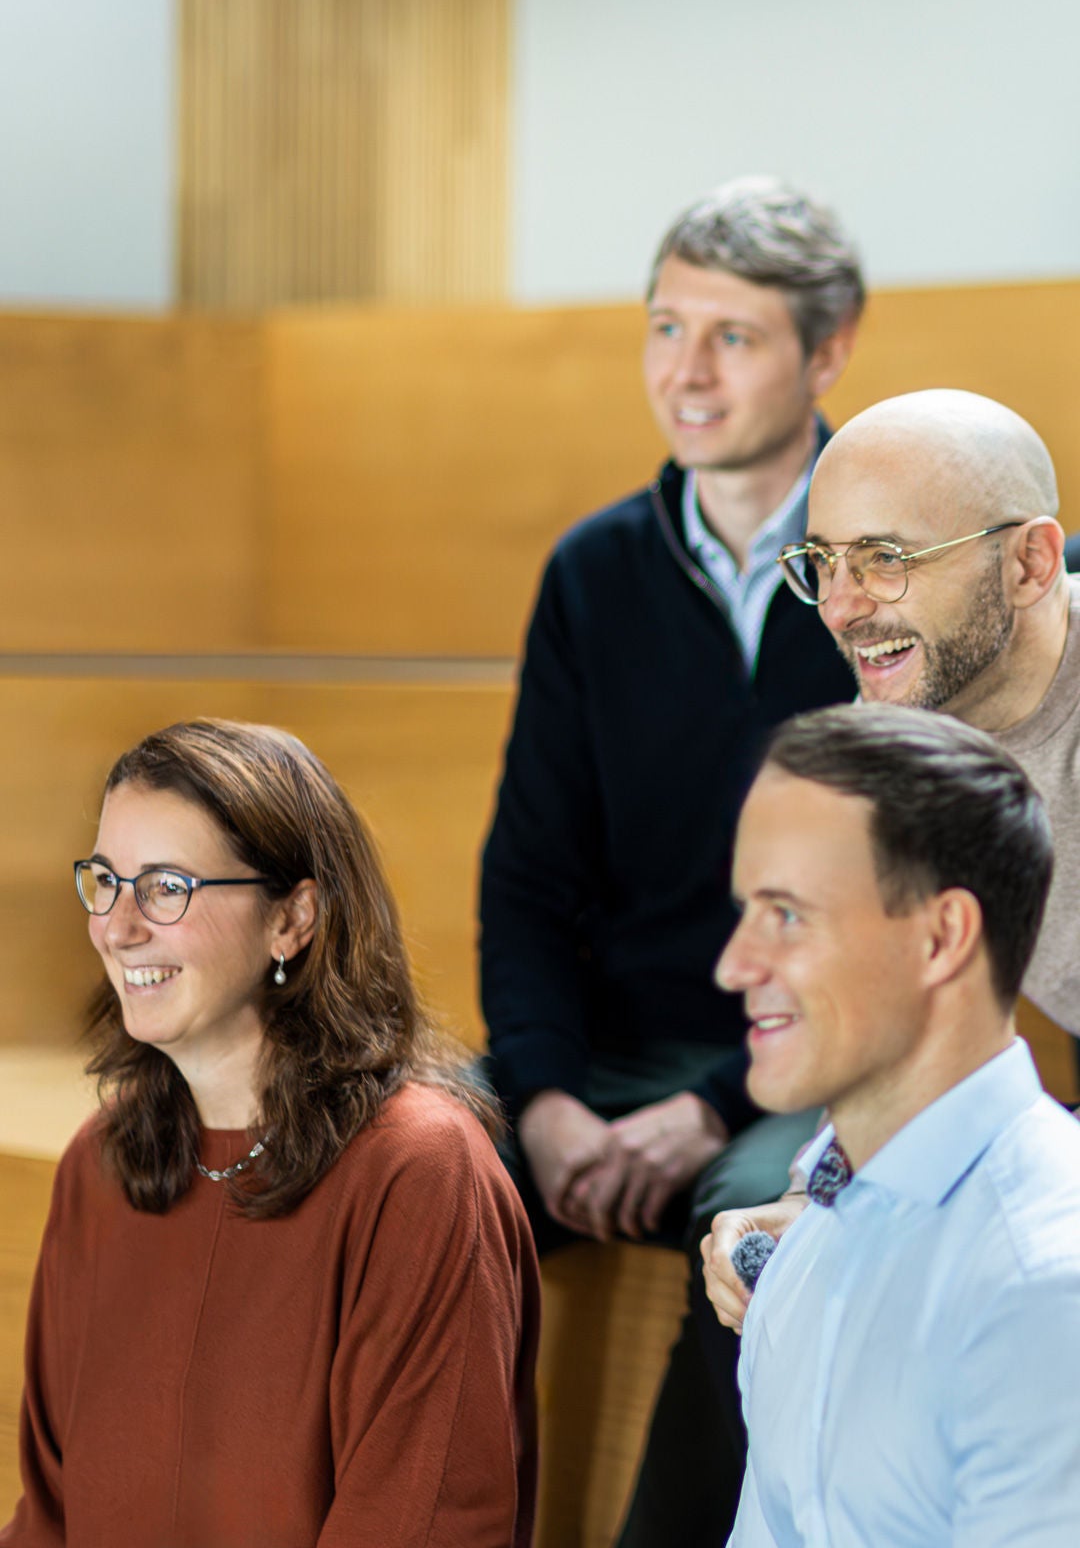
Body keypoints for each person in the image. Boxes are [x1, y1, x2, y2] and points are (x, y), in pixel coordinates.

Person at [479, 178, 864, 1542]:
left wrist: (709, 1105)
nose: (684, 374)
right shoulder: (593, 572)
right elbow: (527, 880)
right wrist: (538, 1102)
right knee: (391, 1150)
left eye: (733, 336)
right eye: (663, 326)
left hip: (811, 1067)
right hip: (602, 1058)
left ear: (829, 354)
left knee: (778, 1220)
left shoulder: (888, 567)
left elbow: (901, 908)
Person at [3, 719, 539, 1548]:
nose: (117, 926)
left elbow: (420, 1528)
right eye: (105, 880)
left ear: (293, 918)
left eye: (167, 886)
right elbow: (47, 1518)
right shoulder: (101, 1165)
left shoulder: (419, 1171)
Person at [704, 387, 1080, 1352]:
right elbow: (883, 1019)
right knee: (785, 1254)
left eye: (885, 559)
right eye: (822, 562)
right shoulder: (899, 722)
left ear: (1032, 562)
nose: (839, 608)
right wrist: (816, 1193)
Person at [717, 703, 1080, 1547]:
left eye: (789, 915)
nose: (735, 965)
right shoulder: (803, 1240)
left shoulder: (1045, 1290)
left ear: (941, 936)